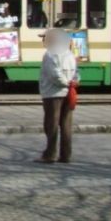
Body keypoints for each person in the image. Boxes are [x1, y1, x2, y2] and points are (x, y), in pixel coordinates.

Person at [35, 28, 78, 164]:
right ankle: (66, 155)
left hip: (53, 94)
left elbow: (54, 74)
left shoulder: (50, 54)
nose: (44, 41)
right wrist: (72, 83)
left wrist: (65, 83)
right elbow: (77, 73)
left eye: (45, 38)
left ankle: (50, 154)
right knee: (66, 125)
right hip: (69, 93)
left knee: (51, 124)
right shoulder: (69, 54)